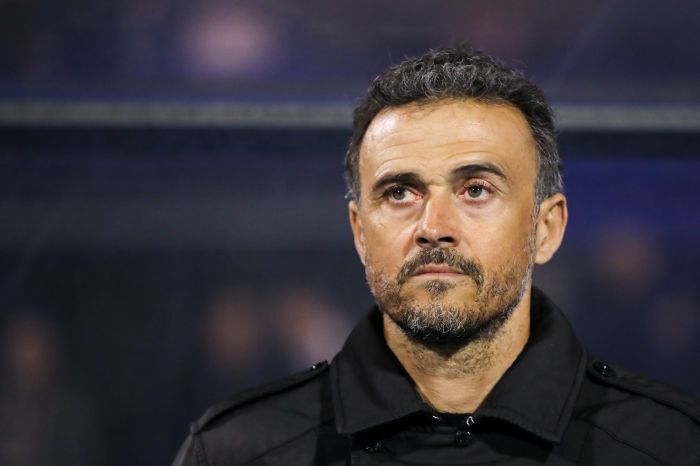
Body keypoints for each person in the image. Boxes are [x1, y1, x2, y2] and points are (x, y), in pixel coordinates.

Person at [172, 46, 700, 465]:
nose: (434, 228)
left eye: (476, 190)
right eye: (400, 193)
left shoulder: (670, 447)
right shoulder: (237, 451)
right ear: (359, 233)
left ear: (546, 228)